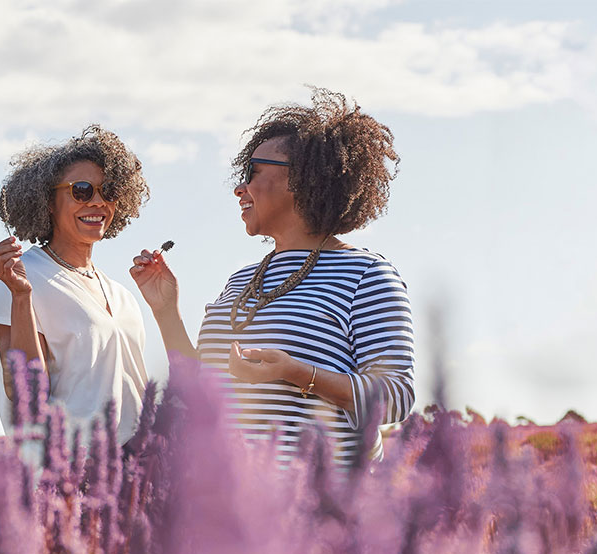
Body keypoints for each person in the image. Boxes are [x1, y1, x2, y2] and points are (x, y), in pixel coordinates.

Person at [130, 89, 414, 466]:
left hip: (323, 515)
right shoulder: (241, 280)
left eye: (253, 172)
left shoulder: (367, 276)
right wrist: (166, 311)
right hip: (237, 513)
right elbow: (201, 392)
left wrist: (299, 374)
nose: (239, 187)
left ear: (304, 180)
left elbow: (395, 397)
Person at [0, 125, 151, 445]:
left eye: (110, 191)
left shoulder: (123, 296)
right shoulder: (22, 275)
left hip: (133, 477)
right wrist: (21, 297)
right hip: (66, 478)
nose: (98, 202)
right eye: (82, 190)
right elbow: (27, 397)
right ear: (48, 201)